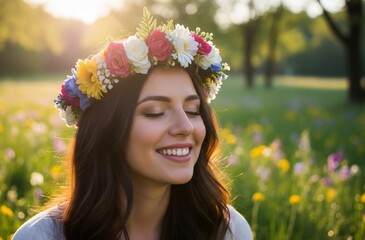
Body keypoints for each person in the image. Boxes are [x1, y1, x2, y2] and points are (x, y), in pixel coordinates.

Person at [13, 8, 252, 240]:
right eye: (156, 112)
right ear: (108, 130)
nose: (186, 127)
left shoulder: (227, 231)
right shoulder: (41, 236)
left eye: (192, 110)